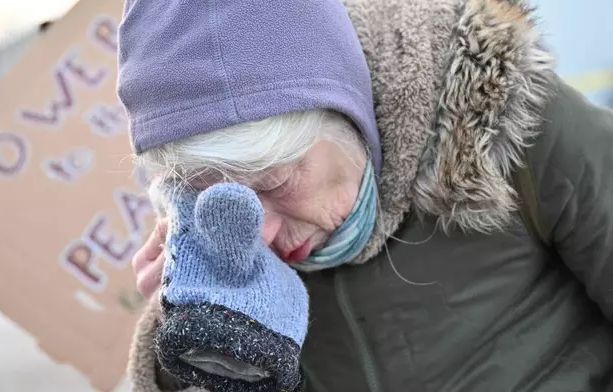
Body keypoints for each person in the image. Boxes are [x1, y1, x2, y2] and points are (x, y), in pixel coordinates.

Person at [117, 0, 613, 391]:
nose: (261, 233)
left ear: (348, 116)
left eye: (276, 183)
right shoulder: (220, 246)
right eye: (211, 198)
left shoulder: (509, 125)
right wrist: (193, 333)